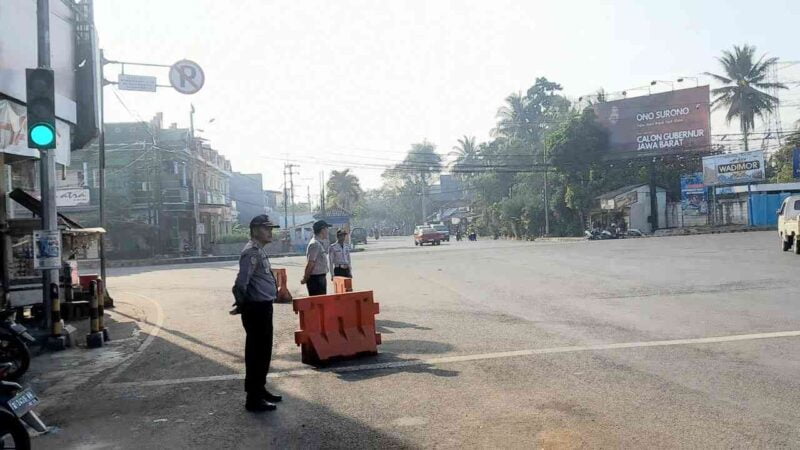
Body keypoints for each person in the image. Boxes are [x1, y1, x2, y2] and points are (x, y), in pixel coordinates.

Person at [233, 214, 283, 412]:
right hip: (256, 309)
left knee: (263, 352)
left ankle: (260, 389)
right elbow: (240, 283)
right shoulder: (251, 252)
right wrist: (242, 304)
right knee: (256, 353)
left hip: (263, 307)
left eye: (271, 228)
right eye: (266, 228)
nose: (270, 232)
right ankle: (253, 398)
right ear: (255, 230)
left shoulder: (259, 251)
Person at [301, 220, 330, 296]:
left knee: (321, 302)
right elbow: (311, 263)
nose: (328, 231)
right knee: (318, 303)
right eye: (327, 229)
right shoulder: (315, 244)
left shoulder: (319, 243)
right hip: (316, 279)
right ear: (322, 230)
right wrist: (305, 278)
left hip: (320, 278)